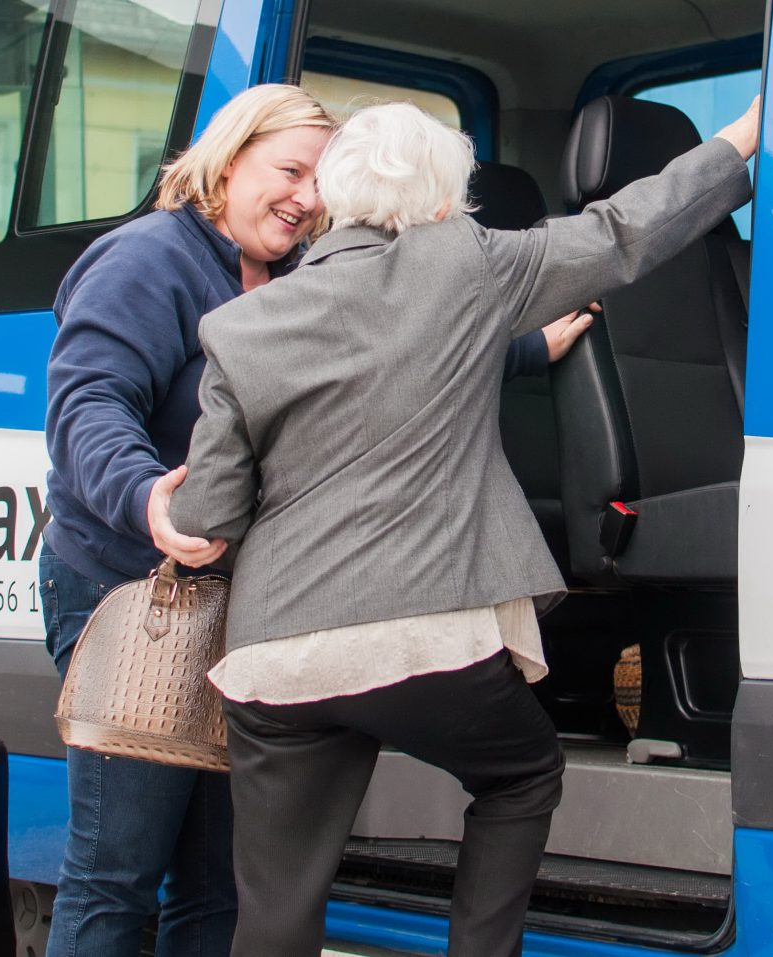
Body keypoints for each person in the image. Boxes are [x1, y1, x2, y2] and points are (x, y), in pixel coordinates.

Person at [160, 95, 761, 957]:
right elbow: (624, 230)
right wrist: (737, 141)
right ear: (443, 202)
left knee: (278, 904)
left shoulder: (241, 326)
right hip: (415, 641)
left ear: (329, 196)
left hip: (276, 657)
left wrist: (178, 513)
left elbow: (209, 520)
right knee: (521, 774)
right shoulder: (468, 262)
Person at [41, 84, 587, 957]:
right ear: (227, 161)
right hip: (139, 594)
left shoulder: (296, 271)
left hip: (248, 605)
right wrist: (147, 495)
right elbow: (87, 403)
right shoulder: (147, 260)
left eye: (319, 179)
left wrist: (523, 345)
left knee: (221, 881)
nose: (305, 197)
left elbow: (371, 348)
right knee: (120, 871)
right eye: (287, 171)